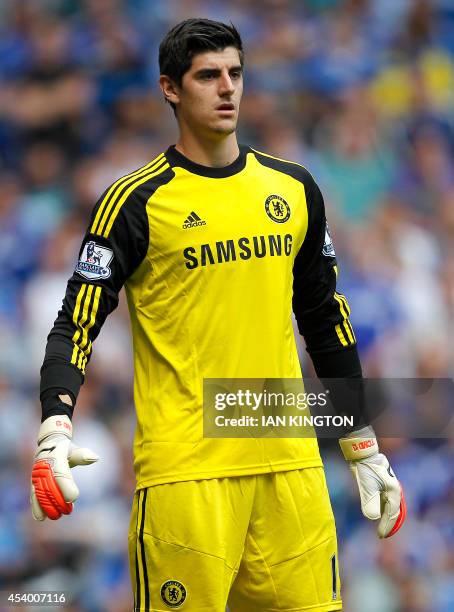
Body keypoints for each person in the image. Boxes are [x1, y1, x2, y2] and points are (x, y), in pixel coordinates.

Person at [30, 18, 406, 612]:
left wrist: (360, 440)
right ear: (170, 88)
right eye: (208, 76)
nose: (227, 87)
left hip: (290, 465)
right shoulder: (134, 201)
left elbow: (325, 318)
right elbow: (76, 320)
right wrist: (55, 422)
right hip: (187, 476)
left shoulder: (294, 188)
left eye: (235, 73)